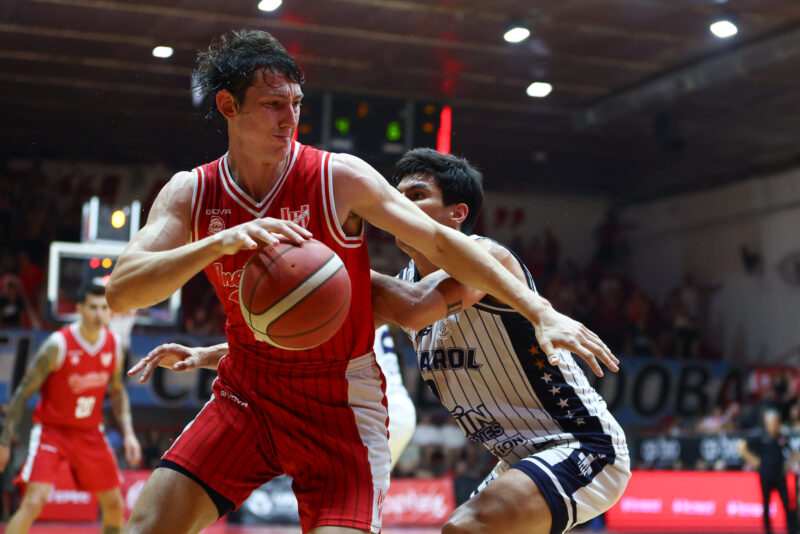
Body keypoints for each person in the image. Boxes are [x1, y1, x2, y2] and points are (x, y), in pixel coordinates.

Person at [107, 30, 616, 534]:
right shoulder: (192, 192)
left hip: (341, 409)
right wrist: (219, 245)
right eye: (272, 104)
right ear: (227, 105)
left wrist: (540, 310)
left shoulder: (338, 177)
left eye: (296, 102)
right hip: (248, 394)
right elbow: (122, 290)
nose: (290, 118)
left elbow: (440, 245)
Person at [369, 148, 630, 534]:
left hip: (582, 444)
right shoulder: (402, 281)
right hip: (517, 456)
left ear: (457, 213)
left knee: (464, 529)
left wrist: (332, 262)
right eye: (397, 195)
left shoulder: (486, 257)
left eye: (417, 195)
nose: (398, 205)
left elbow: (414, 307)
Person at [0, 284, 141, 534]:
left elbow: (118, 394)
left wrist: (128, 433)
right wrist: (4, 441)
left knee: (114, 504)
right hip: (52, 431)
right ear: (79, 309)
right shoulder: (58, 345)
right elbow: (23, 393)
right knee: (33, 502)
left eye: (104, 308)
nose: (99, 314)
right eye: (93, 308)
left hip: (90, 432)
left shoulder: (113, 344)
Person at [738, 410, 797, 534]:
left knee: (787, 504)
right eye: (772, 423)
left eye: (776, 423)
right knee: (766, 504)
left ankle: (792, 530)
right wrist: (752, 460)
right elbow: (741, 445)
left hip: (780, 477)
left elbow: (792, 452)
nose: (775, 425)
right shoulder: (761, 437)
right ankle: (768, 531)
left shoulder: (781, 437)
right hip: (765, 477)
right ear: (767, 424)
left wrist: (789, 464)